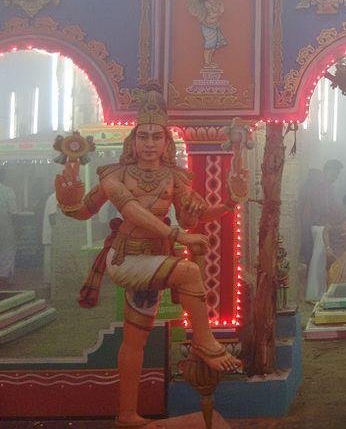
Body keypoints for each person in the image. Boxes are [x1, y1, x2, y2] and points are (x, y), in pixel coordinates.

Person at [54, 89, 244, 427]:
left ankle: (127, 414)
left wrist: (230, 202)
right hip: (125, 260)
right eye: (143, 136)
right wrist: (68, 199)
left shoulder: (174, 178)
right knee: (187, 272)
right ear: (133, 139)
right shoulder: (115, 176)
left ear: (166, 141)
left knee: (135, 337)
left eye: (157, 136)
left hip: (153, 262)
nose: (149, 143)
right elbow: (106, 210)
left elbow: (191, 217)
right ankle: (203, 342)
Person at [301, 160, 343, 302]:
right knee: (317, 260)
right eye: (335, 172)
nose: (336, 176)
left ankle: (319, 293)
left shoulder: (325, 186)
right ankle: (314, 294)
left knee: (319, 259)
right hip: (319, 225)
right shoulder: (321, 186)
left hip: (320, 225)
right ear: (328, 170)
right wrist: (332, 215)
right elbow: (321, 207)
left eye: (338, 173)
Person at [0, 166, 18, 288]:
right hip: (5, 223)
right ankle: (4, 277)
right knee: (7, 249)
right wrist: (17, 227)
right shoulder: (7, 191)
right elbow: (14, 212)